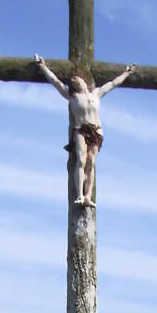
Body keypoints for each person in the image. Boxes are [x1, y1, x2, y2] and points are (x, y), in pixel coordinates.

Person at [35, 54, 136, 207]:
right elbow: (55, 82)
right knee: (81, 160)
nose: (74, 81)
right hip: (80, 129)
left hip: (96, 130)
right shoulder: (73, 97)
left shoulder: (96, 94)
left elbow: (113, 83)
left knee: (91, 162)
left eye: (76, 78)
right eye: (72, 81)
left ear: (83, 80)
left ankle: (88, 196)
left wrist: (127, 72)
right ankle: (80, 195)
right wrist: (43, 66)